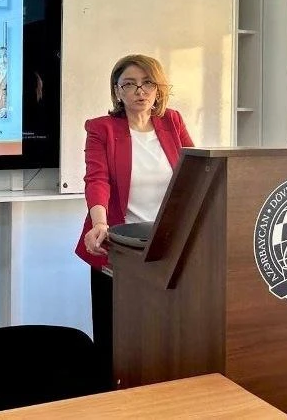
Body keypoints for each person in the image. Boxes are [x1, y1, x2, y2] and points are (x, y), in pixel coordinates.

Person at [75, 54, 193, 387]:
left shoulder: (172, 122)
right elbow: (96, 179)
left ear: (158, 88)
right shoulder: (102, 128)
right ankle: (112, 402)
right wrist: (100, 223)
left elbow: (194, 173)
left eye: (147, 83)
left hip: (167, 248)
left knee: (165, 336)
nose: (140, 91)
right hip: (120, 248)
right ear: (118, 91)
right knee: (115, 341)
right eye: (129, 84)